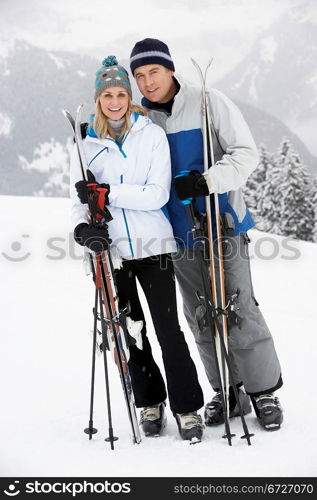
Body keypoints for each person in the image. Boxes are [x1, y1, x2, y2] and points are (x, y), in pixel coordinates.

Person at [129, 38, 284, 431]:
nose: (148, 82)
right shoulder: (141, 120)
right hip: (176, 234)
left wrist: (208, 181)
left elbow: (246, 152)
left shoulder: (207, 101)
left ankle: (263, 390)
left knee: (240, 307)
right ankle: (226, 391)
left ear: (170, 70)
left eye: (154, 72)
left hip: (221, 221)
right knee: (200, 315)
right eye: (140, 76)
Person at [70, 55, 204, 441]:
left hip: (153, 245)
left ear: (130, 97)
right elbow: (78, 197)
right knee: (131, 332)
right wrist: (82, 227)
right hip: (111, 250)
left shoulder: (151, 134)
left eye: (121, 94)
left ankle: (187, 407)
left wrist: (109, 194)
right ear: (98, 99)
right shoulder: (86, 142)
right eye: (107, 95)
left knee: (167, 330)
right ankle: (150, 400)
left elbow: (156, 194)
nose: (114, 101)